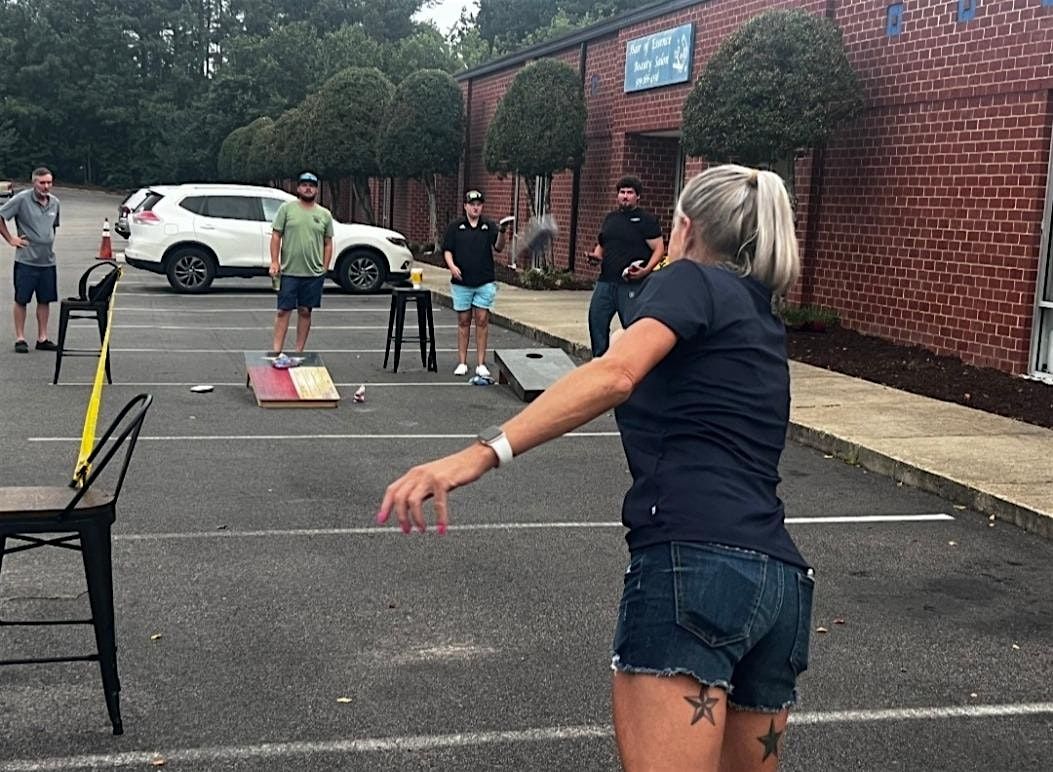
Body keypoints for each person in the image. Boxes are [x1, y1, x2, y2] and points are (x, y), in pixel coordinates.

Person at [379, 165, 813, 771]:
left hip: (696, 567)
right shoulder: (760, 319)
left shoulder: (688, 281)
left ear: (684, 228)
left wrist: (478, 454)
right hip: (780, 587)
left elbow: (614, 372)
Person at [588, 176, 664, 357]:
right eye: (622, 192)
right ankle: (600, 362)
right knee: (596, 321)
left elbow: (659, 249)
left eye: (630, 193)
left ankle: (632, 365)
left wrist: (646, 270)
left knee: (632, 328)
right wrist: (596, 256)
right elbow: (603, 243)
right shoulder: (611, 218)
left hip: (631, 284)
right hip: (605, 282)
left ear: (638, 197)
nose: (625, 196)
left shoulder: (646, 220)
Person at [442, 189, 509, 377]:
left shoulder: (488, 226)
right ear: (465, 206)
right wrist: (452, 266)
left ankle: (481, 363)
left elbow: (499, 247)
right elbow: (447, 249)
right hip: (461, 282)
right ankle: (462, 362)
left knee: (482, 320)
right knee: (463, 321)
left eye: (479, 204)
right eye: (472, 204)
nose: (475, 208)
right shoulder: (455, 227)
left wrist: (503, 231)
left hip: (484, 280)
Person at [269, 172, 333, 355]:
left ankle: (299, 352)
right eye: (304, 184)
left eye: (312, 185)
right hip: (289, 270)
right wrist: (274, 261)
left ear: (316, 189)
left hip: (313, 273)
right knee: (283, 311)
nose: (308, 188)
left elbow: (328, 242)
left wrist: (325, 267)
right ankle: (276, 351)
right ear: (298, 188)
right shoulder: (287, 209)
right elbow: (276, 235)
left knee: (305, 311)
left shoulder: (324, 214)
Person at [0, 167, 60, 353]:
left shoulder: (55, 203)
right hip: (26, 260)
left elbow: (53, 227)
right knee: (22, 299)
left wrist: (47, 241)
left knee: (45, 300)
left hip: (47, 261)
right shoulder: (22, 199)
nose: (46, 186)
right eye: (42, 183)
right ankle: (20, 337)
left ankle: (42, 337)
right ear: (34, 182)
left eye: (49, 182)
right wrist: (11, 239)